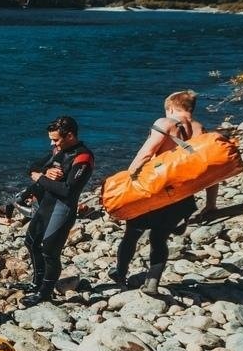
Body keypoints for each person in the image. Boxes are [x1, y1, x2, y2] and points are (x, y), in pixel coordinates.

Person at [109, 90, 215, 294]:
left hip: (156, 191)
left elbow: (146, 153)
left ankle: (120, 273)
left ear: (171, 107)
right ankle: (152, 282)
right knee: (159, 239)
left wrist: (126, 182)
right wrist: (211, 204)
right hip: (182, 197)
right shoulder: (202, 130)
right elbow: (210, 171)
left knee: (132, 234)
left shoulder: (165, 124)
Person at [21, 116, 94, 305]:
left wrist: (40, 179)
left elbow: (68, 191)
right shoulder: (57, 150)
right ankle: (36, 283)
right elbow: (33, 167)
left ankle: (45, 293)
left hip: (62, 210)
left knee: (50, 253)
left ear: (69, 135)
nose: (52, 143)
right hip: (45, 207)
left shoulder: (83, 158)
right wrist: (44, 174)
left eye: (55, 139)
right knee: (31, 243)